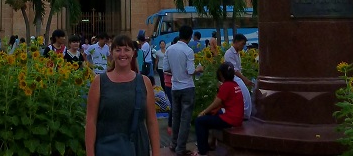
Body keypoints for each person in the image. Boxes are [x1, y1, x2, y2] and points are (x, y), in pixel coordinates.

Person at [85, 33, 160, 156]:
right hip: (108, 147)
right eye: (118, 50)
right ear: (111, 52)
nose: (122, 54)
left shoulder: (144, 82)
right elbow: (91, 121)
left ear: (133, 53)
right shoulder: (99, 82)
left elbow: (151, 121)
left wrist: (156, 153)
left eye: (126, 50)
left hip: (137, 147)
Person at [163, 24, 203, 156]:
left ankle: (174, 144)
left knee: (176, 117)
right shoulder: (188, 51)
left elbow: (166, 69)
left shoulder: (169, 49)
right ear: (190, 36)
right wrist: (199, 69)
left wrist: (176, 71)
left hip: (175, 87)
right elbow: (191, 71)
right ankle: (180, 148)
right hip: (187, 87)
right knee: (185, 120)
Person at [193, 62, 244, 156]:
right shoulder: (234, 84)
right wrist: (214, 110)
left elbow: (216, 102)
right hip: (237, 118)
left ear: (221, 74)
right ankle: (207, 146)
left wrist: (204, 112)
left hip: (231, 120)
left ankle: (202, 152)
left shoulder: (226, 86)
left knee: (199, 121)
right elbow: (225, 103)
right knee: (209, 116)